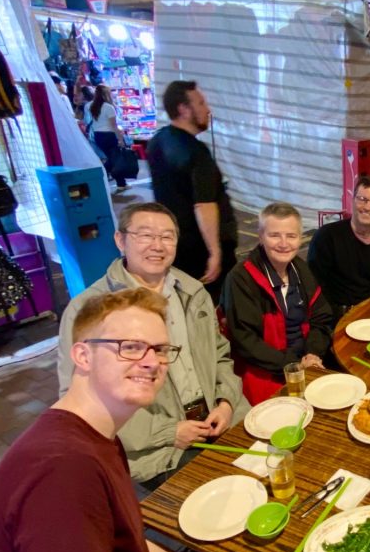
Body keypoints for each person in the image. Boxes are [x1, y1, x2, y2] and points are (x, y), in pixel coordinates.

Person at [0, 288, 351, 552]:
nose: (151, 361)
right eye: (130, 347)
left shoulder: (88, 436)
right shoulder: (62, 472)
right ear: (82, 356)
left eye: (160, 349)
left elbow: (129, 549)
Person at [57, 202, 249, 490]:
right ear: (120, 240)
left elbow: (220, 355)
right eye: (145, 235)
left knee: (281, 461)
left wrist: (225, 402)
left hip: (218, 419)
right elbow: (80, 401)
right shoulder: (89, 309)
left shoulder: (192, 291)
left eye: (167, 236)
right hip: (160, 449)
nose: (157, 245)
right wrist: (167, 432)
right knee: (224, 496)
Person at [221, 203, 333, 404]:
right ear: (261, 236)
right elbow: (247, 342)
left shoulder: (301, 269)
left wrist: (312, 354)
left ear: (300, 237)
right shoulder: (240, 279)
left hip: (306, 362)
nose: (284, 244)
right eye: (274, 235)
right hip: (264, 373)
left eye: (291, 236)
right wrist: (294, 364)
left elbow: (321, 317)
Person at [148, 80, 238, 304]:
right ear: (183, 109)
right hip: (200, 252)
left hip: (175, 248)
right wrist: (214, 252)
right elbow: (204, 205)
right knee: (211, 309)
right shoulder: (197, 153)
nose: (207, 109)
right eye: (200, 103)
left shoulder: (158, 142)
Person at [307, 176, 370, 322]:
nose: (367, 206)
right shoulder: (327, 236)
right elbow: (313, 284)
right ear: (352, 201)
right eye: (362, 199)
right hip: (332, 316)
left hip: (365, 312)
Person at [89, 84, 130, 188]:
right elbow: (113, 125)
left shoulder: (91, 106)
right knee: (114, 159)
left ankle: (120, 182)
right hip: (108, 135)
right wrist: (120, 139)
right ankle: (104, 175)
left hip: (98, 135)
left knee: (112, 158)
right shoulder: (109, 107)